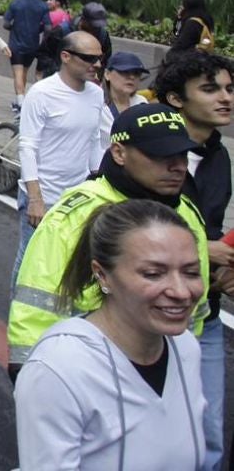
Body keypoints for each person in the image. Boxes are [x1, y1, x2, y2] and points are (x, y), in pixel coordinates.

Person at [8, 103, 210, 378]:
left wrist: (185, 362)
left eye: (182, 155)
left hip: (166, 369)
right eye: (161, 155)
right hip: (88, 369)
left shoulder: (188, 213)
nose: (178, 167)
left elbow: (196, 307)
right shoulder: (78, 213)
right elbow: (38, 300)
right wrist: (29, 370)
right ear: (119, 152)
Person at [15, 201, 206, 471]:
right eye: (153, 274)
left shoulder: (185, 347)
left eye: (191, 272)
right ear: (103, 276)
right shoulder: (58, 368)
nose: (181, 291)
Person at [153, 50, 234, 467]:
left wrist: (221, 272)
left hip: (206, 315)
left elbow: (214, 229)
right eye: (210, 89)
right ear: (175, 99)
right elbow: (131, 231)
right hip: (151, 319)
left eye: (228, 88)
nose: (225, 98)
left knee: (210, 434)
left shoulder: (220, 158)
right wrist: (205, 250)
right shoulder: (147, 155)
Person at [13, 31, 106, 283]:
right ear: (65, 56)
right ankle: (18, 317)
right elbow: (28, 146)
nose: (96, 64)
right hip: (42, 196)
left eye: (99, 58)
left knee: (68, 262)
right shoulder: (42, 93)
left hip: (77, 198)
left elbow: (94, 142)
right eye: (89, 58)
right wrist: (35, 198)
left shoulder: (96, 94)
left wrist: (100, 187)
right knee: (31, 261)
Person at [2, 0, 51, 109]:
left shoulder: (16, 3)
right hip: (33, 44)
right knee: (24, 72)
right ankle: (21, 99)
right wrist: (38, 30)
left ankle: (21, 102)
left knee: (18, 73)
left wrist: (15, 27)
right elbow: (48, 27)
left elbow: (5, 24)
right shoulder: (42, 5)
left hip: (16, 44)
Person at [99, 51, 150, 158]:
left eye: (136, 73)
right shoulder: (96, 103)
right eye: (124, 72)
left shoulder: (142, 102)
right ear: (107, 74)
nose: (131, 77)